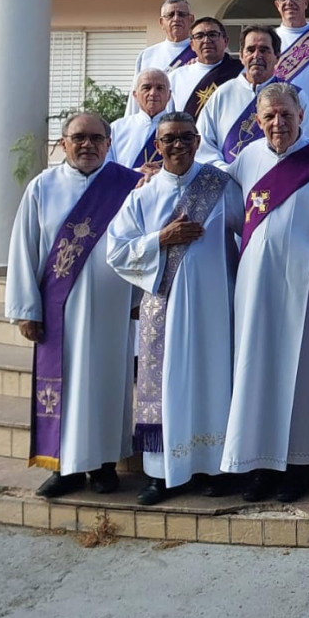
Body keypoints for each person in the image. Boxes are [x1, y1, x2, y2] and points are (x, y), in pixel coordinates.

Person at [106, 112, 243, 505]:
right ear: (158, 145)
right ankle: (161, 474)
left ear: (198, 141)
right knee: (163, 385)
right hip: (162, 307)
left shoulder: (219, 185)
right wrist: (160, 239)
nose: (178, 145)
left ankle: (213, 467)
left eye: (186, 137)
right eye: (169, 139)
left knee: (212, 379)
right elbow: (115, 251)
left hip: (215, 305)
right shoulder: (143, 195)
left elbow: (250, 226)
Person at [5, 113, 140, 498]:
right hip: (58, 312)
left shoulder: (128, 186)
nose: (88, 145)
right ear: (63, 143)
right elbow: (23, 249)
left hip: (114, 311)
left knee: (108, 386)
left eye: (97, 138)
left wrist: (138, 300)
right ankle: (64, 468)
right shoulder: (42, 188)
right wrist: (26, 309)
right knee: (64, 388)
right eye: (79, 137)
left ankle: (103, 466)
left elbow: (142, 243)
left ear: (109, 143)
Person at [220, 84, 309, 504]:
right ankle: (259, 464)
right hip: (256, 285)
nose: (278, 123)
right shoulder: (245, 160)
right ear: (257, 120)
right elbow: (227, 212)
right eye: (269, 116)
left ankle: (299, 465)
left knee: (302, 372)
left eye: (285, 114)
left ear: (301, 114)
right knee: (256, 368)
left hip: (308, 288)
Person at [197, 26, 309, 166]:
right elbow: (203, 144)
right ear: (241, 56)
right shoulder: (222, 94)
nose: (257, 56)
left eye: (264, 50)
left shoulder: (296, 96)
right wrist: (226, 172)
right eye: (250, 50)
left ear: (277, 57)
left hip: (279, 180)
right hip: (228, 181)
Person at [126, 0, 195, 115]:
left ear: (191, 19)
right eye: (170, 15)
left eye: (182, 14)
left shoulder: (199, 53)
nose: (176, 19)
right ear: (161, 22)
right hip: (153, 124)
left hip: (187, 123)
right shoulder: (147, 55)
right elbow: (136, 98)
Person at [170, 17, 242, 117]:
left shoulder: (242, 71)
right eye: (199, 36)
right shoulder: (176, 77)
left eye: (213, 35)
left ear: (225, 41)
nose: (207, 40)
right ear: (192, 45)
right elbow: (168, 119)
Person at [109, 68, 170, 174]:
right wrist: (137, 172)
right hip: (127, 188)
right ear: (135, 95)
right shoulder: (116, 128)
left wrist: (165, 175)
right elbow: (106, 169)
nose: (153, 93)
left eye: (160, 88)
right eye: (147, 88)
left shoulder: (181, 128)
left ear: (169, 95)